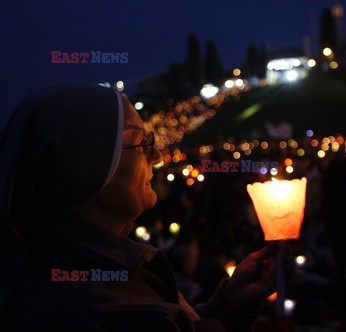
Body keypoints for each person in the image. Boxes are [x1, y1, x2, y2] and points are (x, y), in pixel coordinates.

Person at [0, 83, 291, 331]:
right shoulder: (95, 310)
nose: (158, 155)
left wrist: (233, 302)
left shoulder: (97, 268)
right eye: (141, 142)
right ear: (84, 166)